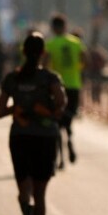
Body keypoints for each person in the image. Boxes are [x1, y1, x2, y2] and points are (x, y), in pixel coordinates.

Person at [0, 32, 67, 215]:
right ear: (43, 53)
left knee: (24, 189)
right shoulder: (51, 78)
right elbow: (61, 107)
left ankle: (26, 212)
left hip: (20, 136)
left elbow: (0, 111)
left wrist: (15, 110)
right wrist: (44, 111)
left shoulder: (12, 78)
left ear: (23, 52)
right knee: (41, 193)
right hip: (45, 137)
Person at [44, 14, 87, 165]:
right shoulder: (76, 42)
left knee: (56, 121)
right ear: (65, 26)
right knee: (69, 118)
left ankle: (59, 156)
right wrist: (76, 69)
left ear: (53, 28)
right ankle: (69, 139)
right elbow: (84, 60)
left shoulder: (50, 44)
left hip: (56, 86)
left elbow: (46, 65)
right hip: (74, 85)